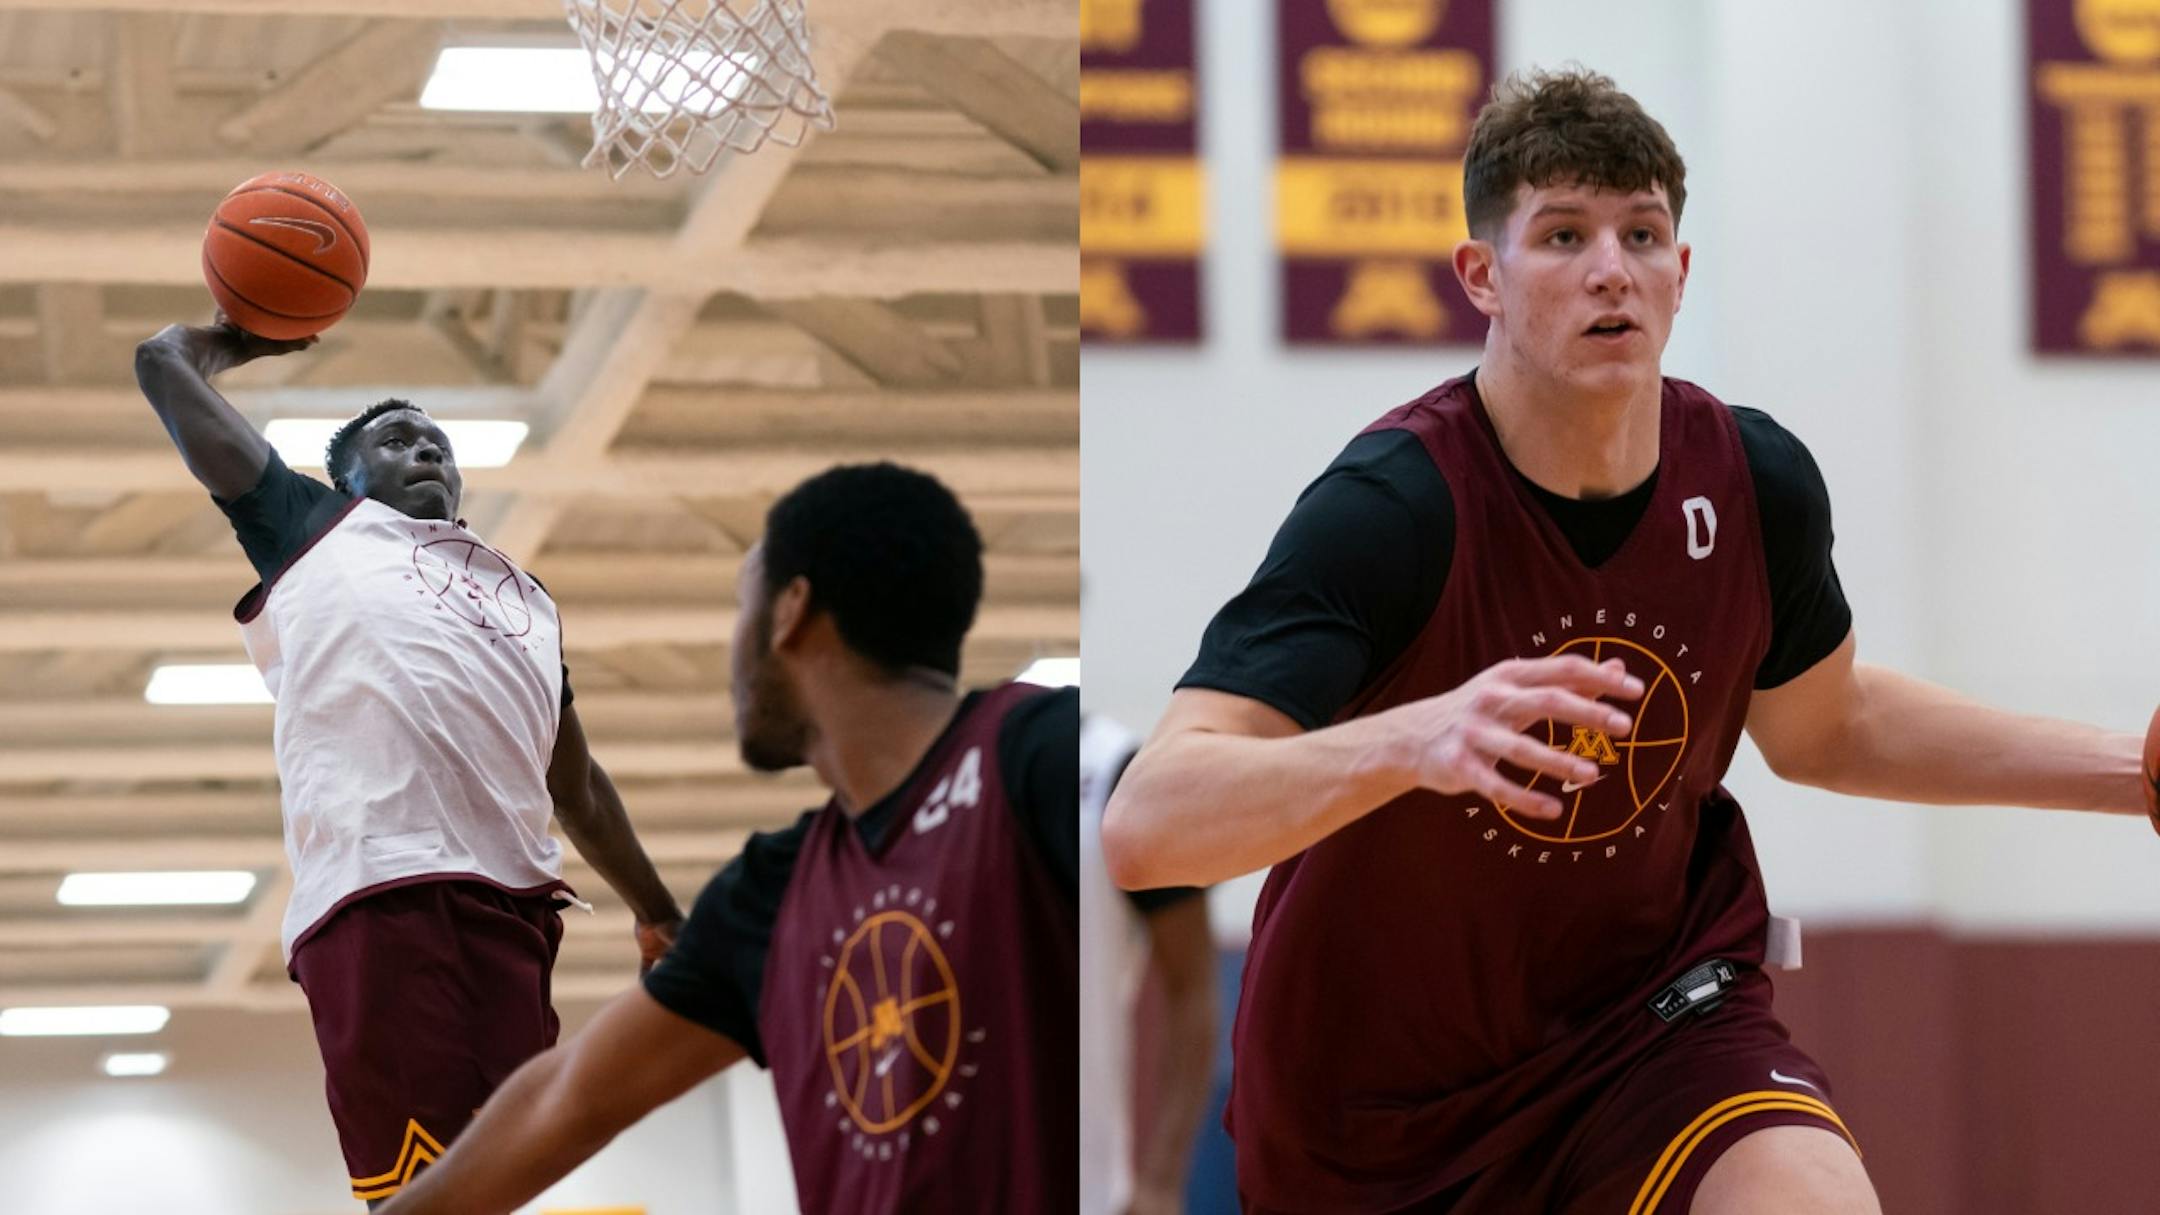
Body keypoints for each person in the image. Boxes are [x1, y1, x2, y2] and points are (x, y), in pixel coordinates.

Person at [1100, 67, 2148, 1215]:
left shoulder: (1753, 485)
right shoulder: (1391, 511)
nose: (1611, 268)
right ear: (1481, 277)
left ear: (1680, 274)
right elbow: (1149, 826)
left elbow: (1827, 723)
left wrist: (2132, 776)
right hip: (1380, 1110)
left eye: (1641, 233)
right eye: (1563, 234)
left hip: (1654, 1027)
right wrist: (1410, 739)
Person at [376, 461, 1079, 1215]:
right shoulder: (770, 894)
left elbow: (1168, 973)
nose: (733, 655)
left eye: (742, 609)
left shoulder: (1039, 755)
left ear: (791, 612)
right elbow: (568, 1098)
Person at [132, 320, 684, 1207]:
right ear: (349, 480)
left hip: (516, 909)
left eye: (438, 443)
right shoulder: (314, 527)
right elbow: (160, 366)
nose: (425, 448)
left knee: (503, 1181)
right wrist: (238, 334)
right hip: (381, 888)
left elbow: (573, 781)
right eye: (397, 441)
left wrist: (658, 911)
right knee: (422, 1186)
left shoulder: (526, 599)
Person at [1081, 714, 1217, 1215]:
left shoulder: (1118, 773)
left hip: (1091, 1182)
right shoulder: (972, 786)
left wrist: (1161, 1178)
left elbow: (1192, 987)